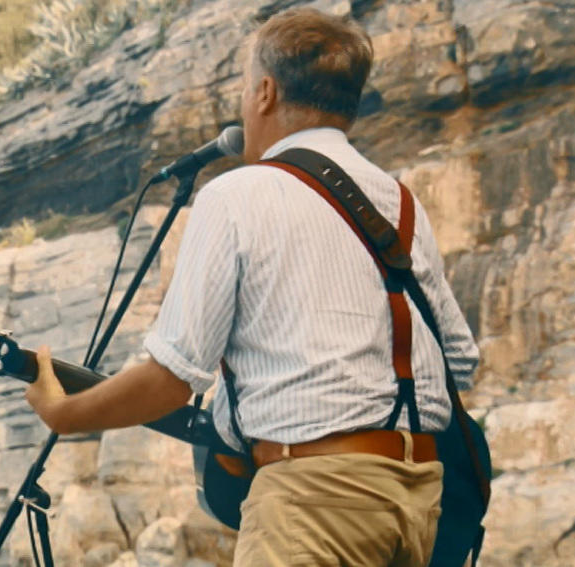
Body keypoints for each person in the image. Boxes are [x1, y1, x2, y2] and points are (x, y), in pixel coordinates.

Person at [25, 7, 479, 567]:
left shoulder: (236, 195)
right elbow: (459, 362)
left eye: (244, 87)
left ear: (264, 92)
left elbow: (171, 381)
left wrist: (63, 414)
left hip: (311, 506)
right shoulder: (399, 202)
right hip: (417, 505)